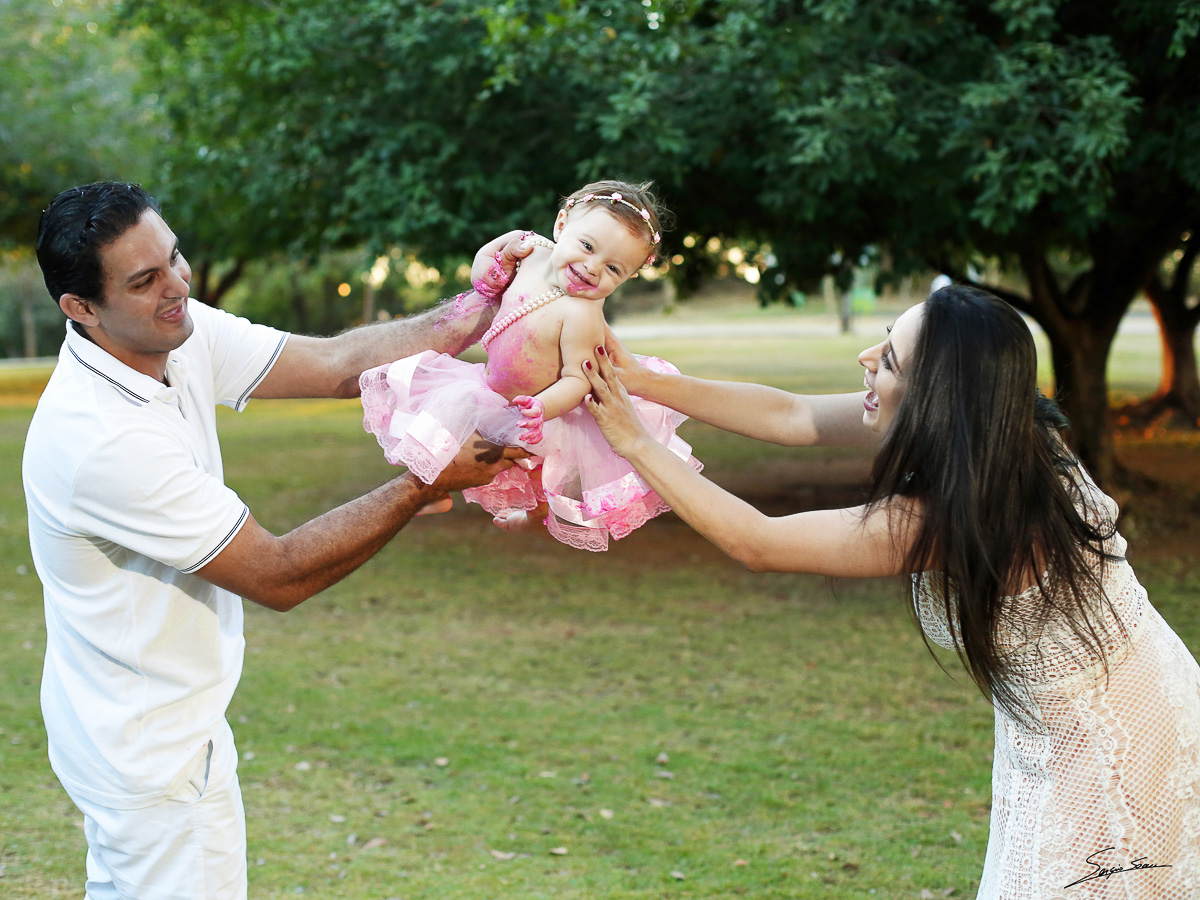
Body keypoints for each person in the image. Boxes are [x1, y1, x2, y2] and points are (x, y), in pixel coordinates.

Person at [581, 285, 1200, 898]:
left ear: (939, 400)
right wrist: (644, 381)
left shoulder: (965, 512)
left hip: (1118, 731)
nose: (867, 361)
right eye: (884, 341)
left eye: (891, 360)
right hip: (1062, 719)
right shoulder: (993, 432)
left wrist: (635, 441)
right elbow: (792, 416)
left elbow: (759, 542)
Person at [23, 181, 530, 900]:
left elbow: (334, 365)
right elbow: (278, 574)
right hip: (150, 751)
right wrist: (421, 481)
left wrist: (474, 309)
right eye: (145, 281)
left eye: (174, 258)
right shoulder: (102, 439)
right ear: (81, 309)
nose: (177, 287)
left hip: (144, 722)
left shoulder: (173, 331)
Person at [360, 179, 701, 551]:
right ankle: (429, 491)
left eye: (613, 269)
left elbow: (577, 378)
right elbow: (484, 269)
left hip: (538, 410)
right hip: (486, 387)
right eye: (586, 246)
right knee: (438, 435)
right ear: (561, 225)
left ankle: (535, 519)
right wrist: (491, 265)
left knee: (546, 480)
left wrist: (543, 408)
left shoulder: (583, 315)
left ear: (628, 278)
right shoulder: (531, 251)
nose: (591, 268)